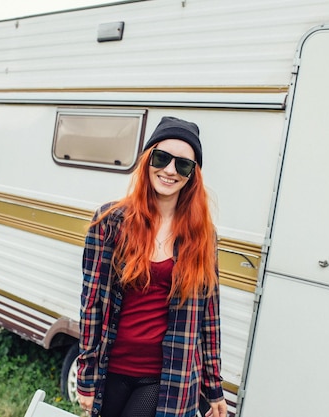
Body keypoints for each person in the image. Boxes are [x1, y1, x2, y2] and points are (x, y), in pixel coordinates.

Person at [77, 116, 228, 417]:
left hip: (166, 377)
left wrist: (214, 389)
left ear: (192, 175)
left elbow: (209, 319)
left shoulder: (202, 236)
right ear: (147, 160)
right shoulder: (110, 222)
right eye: (162, 158)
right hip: (112, 369)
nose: (170, 170)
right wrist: (85, 378)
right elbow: (91, 304)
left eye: (183, 164)